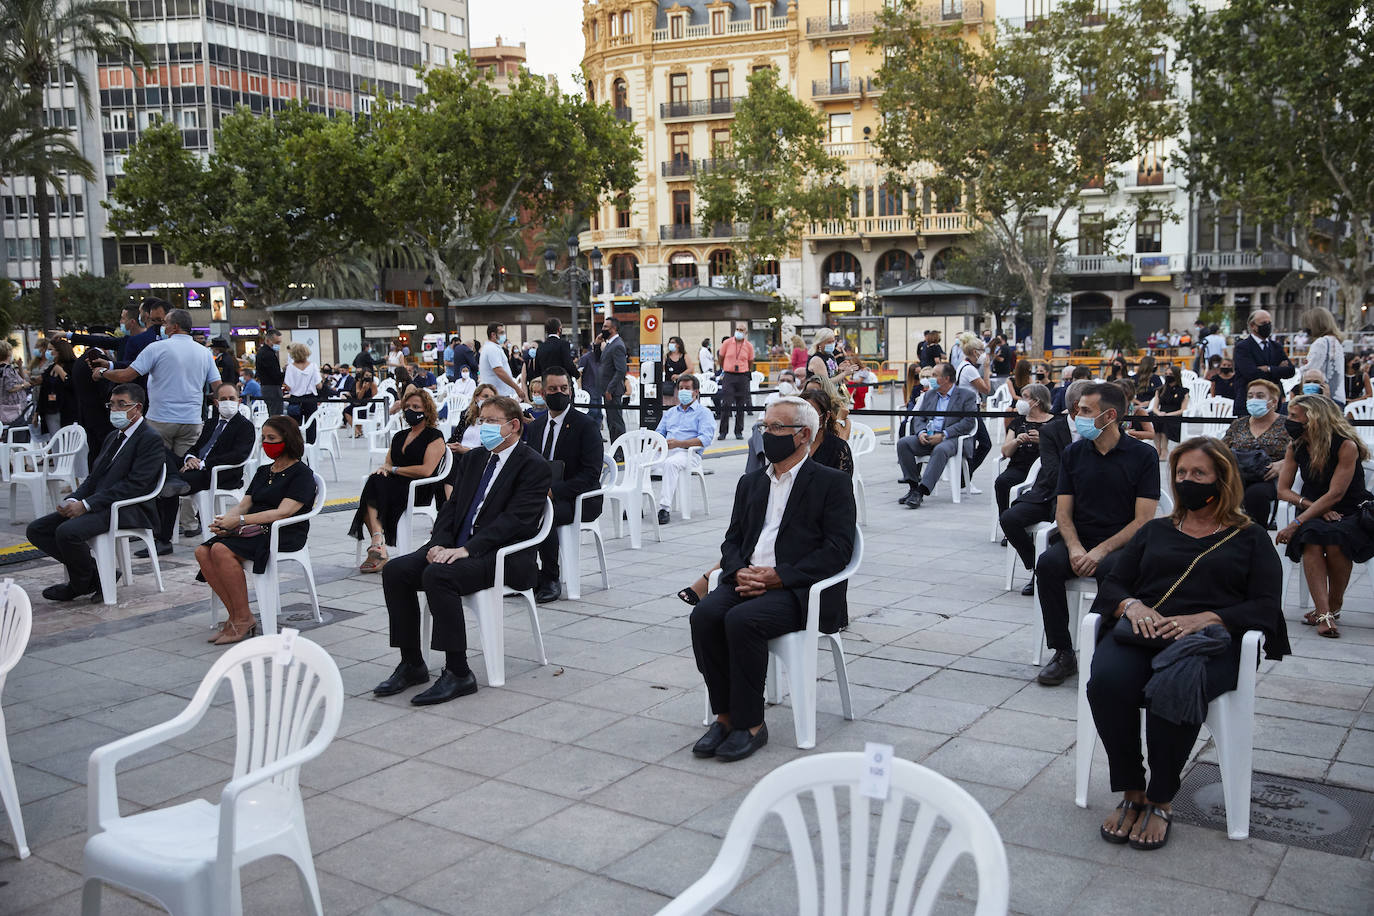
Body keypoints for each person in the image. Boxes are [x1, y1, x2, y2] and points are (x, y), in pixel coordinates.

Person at [1086, 437, 1288, 850]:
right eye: (1181, 473)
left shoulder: (1249, 538)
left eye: (1198, 473)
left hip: (1208, 645)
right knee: (1106, 682)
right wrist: (1131, 605)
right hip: (1146, 633)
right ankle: (1131, 790)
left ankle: (1161, 798)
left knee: (1173, 687)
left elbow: (1266, 606)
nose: (1187, 481)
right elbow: (1114, 581)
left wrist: (1209, 617)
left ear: (1222, 479)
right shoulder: (1156, 530)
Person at [689, 397, 856, 761]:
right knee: (704, 616)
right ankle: (725, 716)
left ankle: (751, 725)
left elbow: (837, 551)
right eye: (765, 427)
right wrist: (739, 571)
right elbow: (732, 541)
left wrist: (778, 576)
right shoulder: (751, 483)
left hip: (798, 591)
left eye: (777, 428)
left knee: (742, 621)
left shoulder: (831, 483)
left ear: (803, 435)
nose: (768, 434)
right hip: (746, 579)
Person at [372, 395, 552, 705]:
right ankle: (412, 662)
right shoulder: (474, 459)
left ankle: (458, 672)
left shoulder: (533, 466)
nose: (484, 427)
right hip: (457, 546)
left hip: (500, 555)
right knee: (396, 571)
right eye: (482, 421)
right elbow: (451, 508)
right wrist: (439, 543)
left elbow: (514, 522)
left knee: (438, 576)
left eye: (492, 421)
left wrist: (467, 549)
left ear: (513, 426)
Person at [1035, 382, 1160, 686]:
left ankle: (1102, 646)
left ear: (1110, 415)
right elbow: (1063, 512)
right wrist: (1076, 547)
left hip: (1123, 542)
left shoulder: (1143, 456)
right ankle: (1063, 651)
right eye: (1078, 409)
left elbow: (1143, 520)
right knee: (1048, 565)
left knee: (1111, 572)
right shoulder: (1074, 453)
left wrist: (1101, 550)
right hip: (1081, 537)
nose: (1078, 415)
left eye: (1087, 410)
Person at [27, 384, 163, 602]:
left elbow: (135, 485)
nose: (115, 410)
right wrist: (74, 499)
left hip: (128, 507)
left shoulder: (150, 438)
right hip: (101, 503)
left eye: (122, 404)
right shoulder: (114, 437)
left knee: (67, 532)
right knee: (37, 529)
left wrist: (87, 505)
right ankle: (98, 576)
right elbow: (94, 478)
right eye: (112, 404)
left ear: (137, 408)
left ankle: (79, 584)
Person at [195, 416, 317, 644]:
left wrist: (240, 521)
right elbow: (244, 503)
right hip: (252, 527)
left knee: (221, 550)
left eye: (272, 438)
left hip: (282, 532)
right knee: (203, 551)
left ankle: (242, 618)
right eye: (264, 438)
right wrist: (225, 521)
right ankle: (236, 615)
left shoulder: (302, 474)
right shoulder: (264, 471)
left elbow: (284, 512)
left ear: (287, 440)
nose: (266, 443)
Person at [1276, 394, 1373, 638]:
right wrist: (1307, 509)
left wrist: (1296, 522)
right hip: (1314, 508)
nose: (1289, 421)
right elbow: (1283, 490)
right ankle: (1324, 613)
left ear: (1314, 418)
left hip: (1351, 509)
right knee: (1312, 536)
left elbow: (1336, 494)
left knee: (1335, 539)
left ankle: (1334, 604)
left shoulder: (1345, 445)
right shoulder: (1296, 446)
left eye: (1294, 416)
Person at [523, 367, 604, 602]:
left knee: (541, 512)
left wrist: (553, 491)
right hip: (541, 495)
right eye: (552, 389)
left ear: (571, 390)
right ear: (542, 392)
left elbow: (590, 474)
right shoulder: (536, 427)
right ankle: (524, 574)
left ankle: (550, 577)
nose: (558, 393)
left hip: (578, 498)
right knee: (513, 508)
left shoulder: (586, 426)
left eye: (563, 388)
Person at [95, 308, 218, 457]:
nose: (162, 328)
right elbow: (217, 385)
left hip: (161, 418)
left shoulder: (157, 348)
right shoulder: (204, 352)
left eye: (165, 323)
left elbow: (126, 376)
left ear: (175, 326)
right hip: (191, 420)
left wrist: (103, 373)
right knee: (185, 465)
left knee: (157, 465)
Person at [1001, 379, 1084, 596]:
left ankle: (1049, 571)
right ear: (1077, 406)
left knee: (1062, 521)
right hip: (1050, 490)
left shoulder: (1100, 429)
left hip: (1084, 495)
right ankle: (1036, 567)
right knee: (1010, 519)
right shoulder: (1053, 430)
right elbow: (1053, 470)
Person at [351, 388, 447, 572]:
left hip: (418, 488)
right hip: (395, 485)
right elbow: (387, 462)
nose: (410, 410)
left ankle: (378, 545)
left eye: (416, 406)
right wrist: (383, 469)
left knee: (374, 488)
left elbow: (426, 470)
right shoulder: (400, 436)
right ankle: (378, 541)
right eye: (408, 406)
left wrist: (394, 469)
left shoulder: (434, 436)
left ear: (426, 411)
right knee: (375, 480)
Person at [159, 382, 256, 549]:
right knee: (158, 448)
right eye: (223, 399)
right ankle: (175, 479)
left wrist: (203, 464)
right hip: (195, 468)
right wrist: (190, 458)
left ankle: (163, 540)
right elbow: (196, 448)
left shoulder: (244, 426)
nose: (228, 402)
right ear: (216, 402)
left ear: (239, 401)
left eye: (231, 398)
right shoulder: (211, 423)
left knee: (169, 484)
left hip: (218, 474)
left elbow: (238, 455)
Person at [896, 363, 979, 509]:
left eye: (934, 375)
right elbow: (919, 418)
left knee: (941, 449)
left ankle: (921, 492)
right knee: (903, 443)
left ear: (946, 378)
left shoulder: (966, 396)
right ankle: (913, 487)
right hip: (928, 436)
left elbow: (968, 422)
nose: (931, 379)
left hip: (952, 439)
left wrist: (944, 435)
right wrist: (921, 432)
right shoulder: (929, 395)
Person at [1220, 379, 1290, 525]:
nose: (1254, 400)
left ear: (1273, 402)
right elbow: (1221, 450)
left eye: (1259, 396)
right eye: (1250, 396)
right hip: (1238, 474)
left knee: (1256, 495)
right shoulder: (1239, 424)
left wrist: (1284, 464)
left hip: (1269, 477)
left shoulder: (1286, 424)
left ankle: (1256, 536)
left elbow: (1302, 451)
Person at [656, 375, 716, 525]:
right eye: (681, 388)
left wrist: (679, 444)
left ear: (696, 391)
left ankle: (664, 508)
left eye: (687, 388)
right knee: (638, 460)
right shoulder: (670, 412)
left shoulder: (704, 413)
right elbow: (658, 433)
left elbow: (704, 439)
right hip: (667, 450)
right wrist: (657, 443)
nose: (683, 391)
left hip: (689, 454)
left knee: (671, 464)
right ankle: (636, 504)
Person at [996, 383, 1053, 516]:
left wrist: (1042, 441)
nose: (1021, 401)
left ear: (1038, 401)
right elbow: (1005, 451)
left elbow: (1061, 449)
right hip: (1019, 467)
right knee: (1002, 482)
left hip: (1045, 469)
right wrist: (1017, 441)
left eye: (1025, 397)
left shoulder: (1054, 422)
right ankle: (1005, 520)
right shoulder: (1017, 422)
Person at [956, 337, 993, 488]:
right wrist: (986, 369)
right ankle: (965, 478)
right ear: (974, 352)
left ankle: (965, 478)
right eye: (982, 351)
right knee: (984, 444)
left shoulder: (963, 366)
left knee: (975, 444)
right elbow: (986, 389)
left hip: (968, 408)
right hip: (970, 410)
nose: (984, 354)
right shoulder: (970, 369)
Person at [1296, 306, 1346, 406]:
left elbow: (1311, 370)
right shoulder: (1336, 341)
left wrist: (1301, 368)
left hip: (1322, 398)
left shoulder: (1320, 343)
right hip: (1338, 396)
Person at [715, 322, 755, 441]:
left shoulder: (748, 346)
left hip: (742, 375)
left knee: (740, 404)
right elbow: (721, 357)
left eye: (742, 330)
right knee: (726, 403)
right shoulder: (727, 343)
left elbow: (750, 361)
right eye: (737, 329)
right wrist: (725, 367)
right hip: (729, 375)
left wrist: (746, 370)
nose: (739, 331)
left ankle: (739, 431)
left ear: (746, 333)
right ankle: (723, 432)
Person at [799, 388, 853, 475]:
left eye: (811, 412)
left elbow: (843, 483)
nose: (806, 417)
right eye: (801, 412)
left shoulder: (838, 448)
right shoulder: (792, 442)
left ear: (826, 416)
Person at [282, 342, 322, 440]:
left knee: (294, 427)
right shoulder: (313, 366)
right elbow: (319, 385)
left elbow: (288, 387)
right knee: (311, 426)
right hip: (310, 399)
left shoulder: (290, 367)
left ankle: (296, 450)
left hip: (295, 399)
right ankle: (310, 450)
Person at [37, 338, 76, 439]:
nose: (48, 352)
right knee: (55, 440)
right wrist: (37, 412)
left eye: (51, 350)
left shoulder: (72, 366)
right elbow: (43, 388)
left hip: (67, 411)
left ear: (60, 351)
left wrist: (61, 372)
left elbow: (72, 385)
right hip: (50, 409)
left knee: (68, 440)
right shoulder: (51, 367)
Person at [1148, 365, 1189, 459]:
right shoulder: (1160, 390)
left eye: (1170, 374)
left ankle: (1164, 450)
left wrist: (1168, 414)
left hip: (1175, 415)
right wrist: (1158, 413)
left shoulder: (1183, 391)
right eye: (1166, 374)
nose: (1168, 376)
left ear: (1176, 375)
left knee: (1165, 422)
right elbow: (1155, 407)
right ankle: (1157, 449)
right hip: (1161, 413)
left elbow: (1183, 409)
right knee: (1154, 419)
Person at [478, 322, 526, 401]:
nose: (504, 335)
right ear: (493, 335)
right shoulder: (492, 349)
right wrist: (517, 388)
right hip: (497, 394)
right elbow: (499, 371)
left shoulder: (493, 347)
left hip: (498, 393)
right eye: (501, 333)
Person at [599, 316, 628, 442]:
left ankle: (620, 452)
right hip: (607, 390)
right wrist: (596, 344)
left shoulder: (618, 345)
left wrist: (610, 389)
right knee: (611, 422)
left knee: (616, 423)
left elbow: (621, 370)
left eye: (606, 327)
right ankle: (616, 451)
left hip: (613, 391)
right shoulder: (609, 344)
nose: (602, 329)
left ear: (614, 329)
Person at [254, 328, 285, 415]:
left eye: (279, 342)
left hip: (267, 387)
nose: (278, 345)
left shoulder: (263, 352)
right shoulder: (268, 354)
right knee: (276, 415)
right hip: (272, 388)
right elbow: (274, 374)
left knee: (273, 413)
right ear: (268, 340)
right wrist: (285, 372)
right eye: (276, 342)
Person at [662, 335, 691, 406]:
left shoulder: (684, 356)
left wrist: (679, 376)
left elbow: (690, 368)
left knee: (681, 403)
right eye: (670, 343)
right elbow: (663, 369)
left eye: (672, 342)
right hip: (669, 384)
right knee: (668, 404)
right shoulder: (666, 356)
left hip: (682, 384)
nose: (670, 344)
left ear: (678, 344)